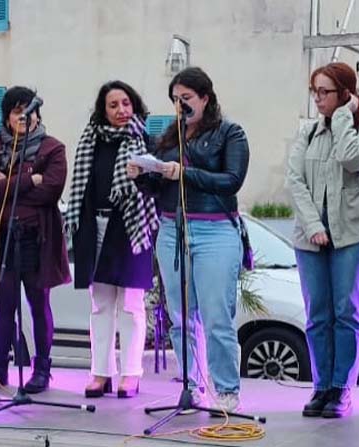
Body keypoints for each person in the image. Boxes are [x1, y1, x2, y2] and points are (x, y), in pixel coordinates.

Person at [127, 67, 249, 412]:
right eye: (175, 99)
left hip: (215, 230)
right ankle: (191, 385)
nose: (180, 105)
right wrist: (142, 176)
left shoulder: (230, 133)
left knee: (216, 315)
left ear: (205, 98)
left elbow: (232, 180)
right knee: (181, 316)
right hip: (172, 229)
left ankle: (226, 389)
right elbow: (159, 189)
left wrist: (186, 173)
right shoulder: (169, 138)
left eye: (187, 98)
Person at [285, 62, 359, 418]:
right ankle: (321, 386)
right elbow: (294, 180)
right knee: (317, 315)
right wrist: (312, 224)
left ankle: (341, 388)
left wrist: (343, 116)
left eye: (324, 91)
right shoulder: (307, 133)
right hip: (310, 238)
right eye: (315, 91)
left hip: (351, 235)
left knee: (346, 312)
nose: (317, 98)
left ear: (345, 93)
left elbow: (351, 158)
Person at [0, 86, 70, 393]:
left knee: (38, 305)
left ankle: (41, 370)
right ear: (7, 117)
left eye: (29, 111)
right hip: (2, 237)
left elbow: (50, 192)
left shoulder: (53, 149)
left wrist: (10, 183)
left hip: (37, 238)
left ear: (37, 114)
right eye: (17, 111)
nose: (24, 117)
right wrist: (30, 179)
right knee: (4, 306)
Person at [65, 81, 158, 399]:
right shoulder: (90, 140)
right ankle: (100, 373)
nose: (121, 110)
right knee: (100, 305)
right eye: (114, 105)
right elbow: (82, 187)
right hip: (95, 226)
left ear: (135, 106)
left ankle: (131, 374)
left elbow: (154, 187)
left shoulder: (144, 140)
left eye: (126, 103)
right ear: (102, 110)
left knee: (131, 305)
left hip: (131, 229)